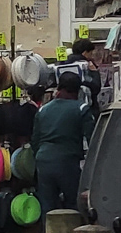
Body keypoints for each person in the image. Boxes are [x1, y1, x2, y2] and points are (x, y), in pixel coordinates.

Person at [30, 70, 95, 217]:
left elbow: (35, 141)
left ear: (59, 88)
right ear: (78, 91)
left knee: (48, 208)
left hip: (44, 161)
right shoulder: (81, 108)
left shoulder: (43, 110)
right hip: (68, 162)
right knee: (73, 206)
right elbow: (92, 140)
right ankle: (73, 231)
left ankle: (49, 232)